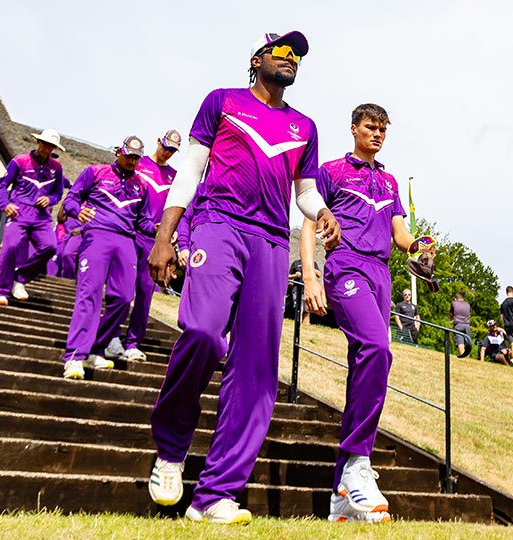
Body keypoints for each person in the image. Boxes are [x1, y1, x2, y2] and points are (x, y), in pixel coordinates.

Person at [145, 31, 339, 525]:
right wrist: (165, 236)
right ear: (256, 61)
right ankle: (170, 451)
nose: (290, 59)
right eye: (281, 51)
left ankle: (216, 495)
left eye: (297, 55)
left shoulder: (305, 125)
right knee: (203, 332)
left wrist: (323, 213)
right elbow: (190, 169)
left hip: (272, 241)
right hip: (219, 224)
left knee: (255, 367)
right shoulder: (222, 101)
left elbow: (306, 191)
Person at [301, 103, 428, 523]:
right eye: (371, 127)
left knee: (367, 365)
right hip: (346, 264)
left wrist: (417, 248)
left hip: (381, 272)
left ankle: (341, 495)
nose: (377, 134)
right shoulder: (331, 171)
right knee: (377, 348)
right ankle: (358, 461)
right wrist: (312, 276)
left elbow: (400, 233)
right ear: (353, 128)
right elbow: (307, 222)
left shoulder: (389, 179)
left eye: (383, 129)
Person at [60, 135, 154, 380]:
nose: (132, 160)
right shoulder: (95, 172)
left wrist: (160, 231)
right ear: (118, 152)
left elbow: (143, 219)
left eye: (137, 157)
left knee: (124, 298)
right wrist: (78, 211)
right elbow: (71, 198)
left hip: (125, 240)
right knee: (89, 294)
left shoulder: (142, 185)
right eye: (129, 155)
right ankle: (75, 356)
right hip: (97, 235)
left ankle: (96, 348)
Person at [113, 130, 182, 362]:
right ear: (158, 141)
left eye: (172, 150)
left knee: (145, 292)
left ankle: (133, 342)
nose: (167, 152)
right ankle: (112, 336)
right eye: (165, 146)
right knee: (122, 288)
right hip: (131, 234)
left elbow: (180, 209)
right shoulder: (138, 164)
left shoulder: (175, 177)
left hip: (155, 241)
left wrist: (173, 237)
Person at [0, 129, 65, 306]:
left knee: (49, 246)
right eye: (45, 144)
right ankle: (1, 292)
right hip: (19, 210)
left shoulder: (56, 168)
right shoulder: (20, 161)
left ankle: (21, 279)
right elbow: (1, 186)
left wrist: (49, 199)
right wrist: (5, 204)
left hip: (41, 216)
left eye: (51, 146)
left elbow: (57, 193)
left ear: (54, 148)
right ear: (38, 142)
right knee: (11, 247)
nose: (46, 148)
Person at [287, 258, 320, 323]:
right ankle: (298, 324)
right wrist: (295, 275)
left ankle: (305, 328)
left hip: (309, 290)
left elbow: (319, 274)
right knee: (299, 308)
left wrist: (311, 269)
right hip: (297, 289)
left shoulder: (313, 263)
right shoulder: (296, 263)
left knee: (307, 311)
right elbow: (288, 276)